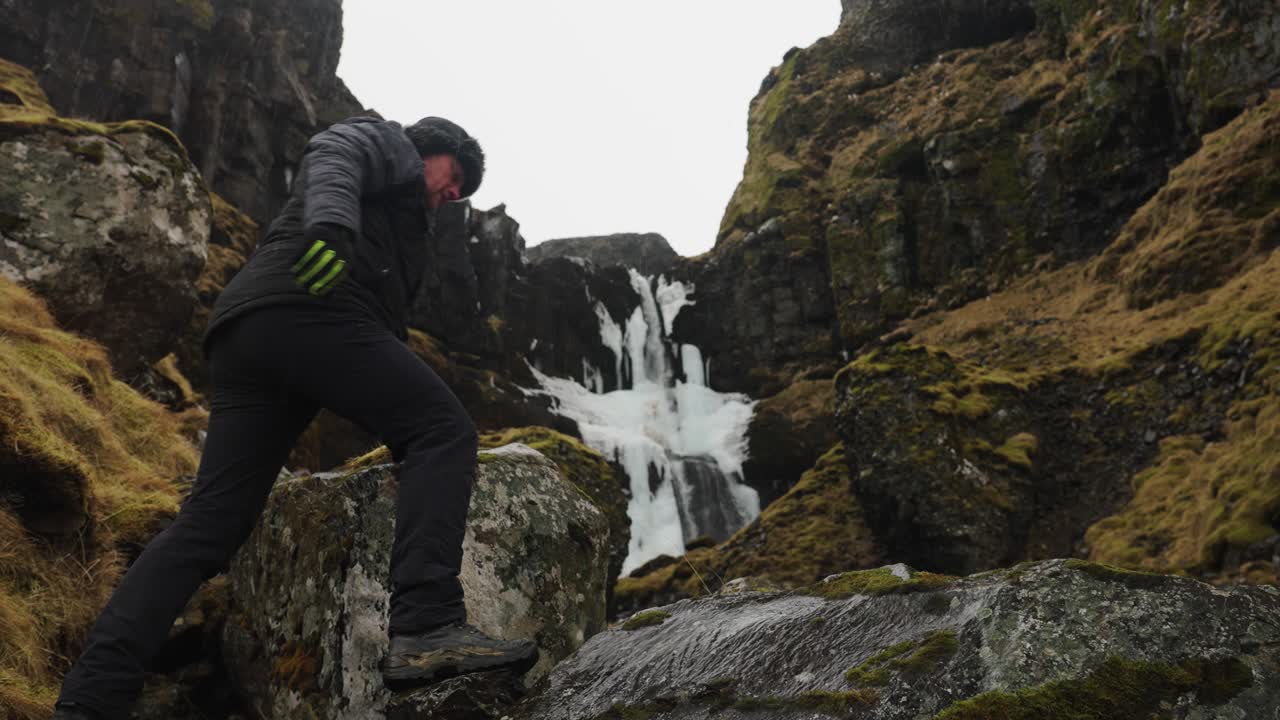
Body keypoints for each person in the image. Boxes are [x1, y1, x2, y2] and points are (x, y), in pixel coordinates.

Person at [54, 116, 538, 720]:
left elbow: (380, 333)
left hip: (252, 334)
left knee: (209, 526)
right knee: (443, 431)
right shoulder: (391, 144)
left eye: (461, 194)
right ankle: (427, 625)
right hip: (309, 309)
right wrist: (332, 226)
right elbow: (335, 150)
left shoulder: (400, 221)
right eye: (455, 177)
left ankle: (91, 696)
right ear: (430, 152)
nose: (451, 195)